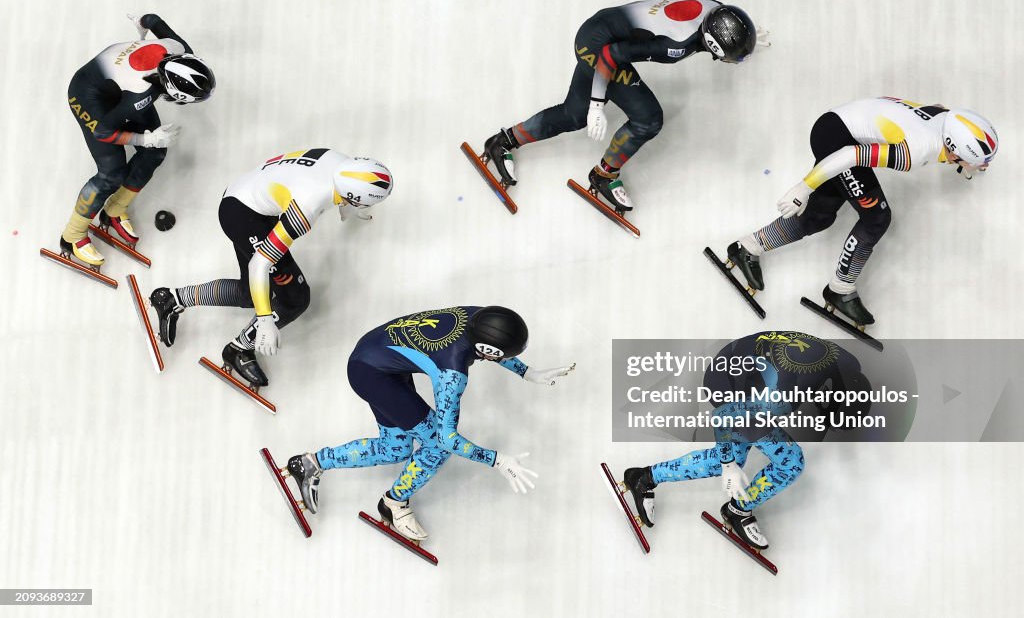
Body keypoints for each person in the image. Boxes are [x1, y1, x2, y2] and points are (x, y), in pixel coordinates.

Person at [283, 305, 574, 541]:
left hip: (375, 355)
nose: (503, 359)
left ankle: (311, 463)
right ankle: (394, 503)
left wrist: (527, 372)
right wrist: (497, 460)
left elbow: (492, 345)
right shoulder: (452, 374)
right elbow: (448, 439)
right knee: (436, 446)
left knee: (395, 450)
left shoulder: (477, 315)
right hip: (372, 374)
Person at [722, 97, 998, 324]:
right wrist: (804, 187)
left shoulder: (945, 117)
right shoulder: (914, 153)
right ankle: (840, 289)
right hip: (840, 143)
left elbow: (935, 108)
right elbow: (850, 156)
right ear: (954, 151)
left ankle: (747, 247)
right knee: (876, 218)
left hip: (838, 124)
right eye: (981, 162)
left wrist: (961, 161)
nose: (984, 167)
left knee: (819, 216)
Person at [480, 0, 764, 211]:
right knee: (648, 119)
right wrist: (597, 105)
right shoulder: (675, 46)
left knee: (573, 114)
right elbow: (610, 55)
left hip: (597, 30)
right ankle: (604, 175)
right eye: (731, 57)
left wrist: (744, 42)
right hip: (602, 49)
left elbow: (728, 22)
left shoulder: (713, 7)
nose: (732, 61)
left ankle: (502, 142)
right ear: (713, 46)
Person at [149, 149, 393, 386]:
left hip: (244, 195)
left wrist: (349, 204)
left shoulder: (339, 160)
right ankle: (239, 349)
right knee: (295, 299)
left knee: (249, 293)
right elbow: (259, 264)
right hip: (246, 215)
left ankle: (172, 298)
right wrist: (265, 320)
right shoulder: (307, 207)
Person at [621, 331, 870, 550]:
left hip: (740, 363)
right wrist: (728, 466)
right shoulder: (781, 398)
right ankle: (737, 509)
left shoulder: (846, 362)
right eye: (824, 413)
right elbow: (721, 417)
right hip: (728, 385)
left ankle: (644, 477)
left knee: (740, 446)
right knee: (790, 462)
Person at [61, 13, 215, 266]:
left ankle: (114, 210)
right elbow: (103, 132)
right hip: (88, 96)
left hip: (117, 84)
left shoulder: (179, 48)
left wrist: (141, 25)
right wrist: (145, 139)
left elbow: (152, 19)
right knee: (112, 173)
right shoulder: (142, 93)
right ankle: (72, 235)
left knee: (156, 152)